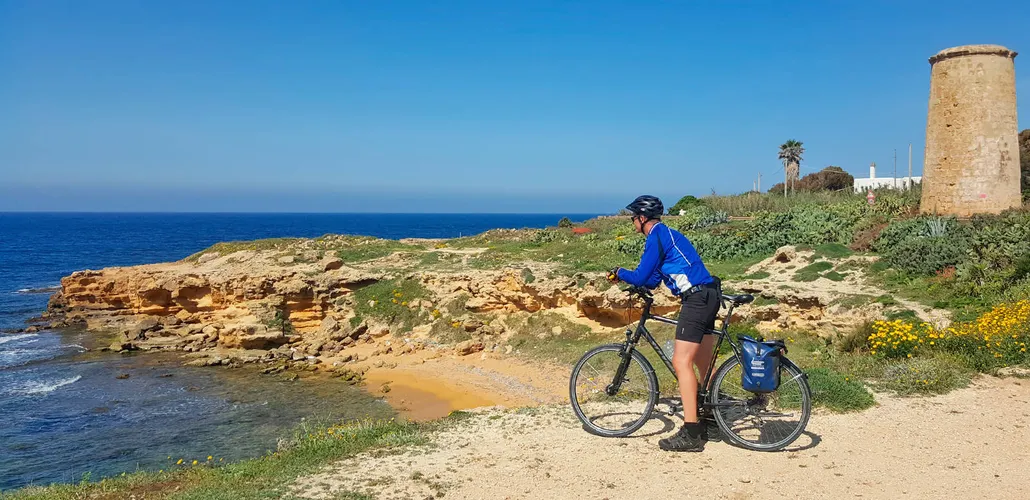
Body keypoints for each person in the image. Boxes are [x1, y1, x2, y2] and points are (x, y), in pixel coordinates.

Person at [607, 195, 722, 452]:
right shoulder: (668, 235)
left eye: (633, 217)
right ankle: (713, 422)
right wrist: (632, 280)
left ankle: (691, 433)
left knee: (681, 362)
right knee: (704, 363)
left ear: (642, 218)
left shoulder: (656, 237)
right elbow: (651, 280)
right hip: (709, 294)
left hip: (695, 299)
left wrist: (619, 271)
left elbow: (640, 275)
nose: (631, 221)